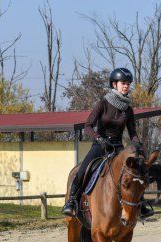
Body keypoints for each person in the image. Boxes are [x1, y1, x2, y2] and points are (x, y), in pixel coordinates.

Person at [62, 67, 154, 219]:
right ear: (114, 85)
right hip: (101, 145)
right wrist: (99, 139)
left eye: (128, 83)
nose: (126, 86)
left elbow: (132, 133)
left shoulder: (128, 110)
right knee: (83, 169)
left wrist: (137, 145)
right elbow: (87, 126)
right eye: (123, 83)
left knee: (136, 173)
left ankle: (141, 203)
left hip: (118, 147)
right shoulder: (102, 104)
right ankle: (71, 201)